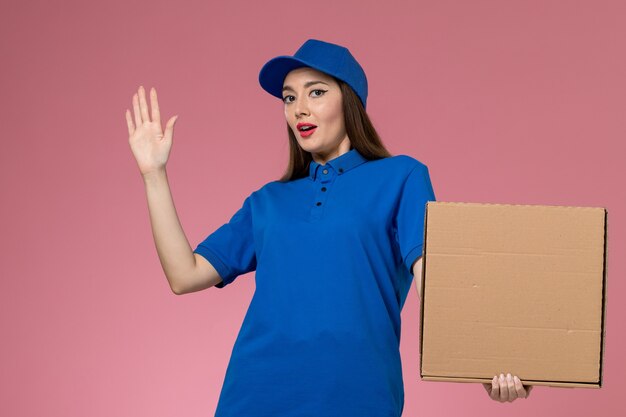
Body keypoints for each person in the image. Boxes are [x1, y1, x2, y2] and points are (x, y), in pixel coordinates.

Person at [125, 39, 533, 416]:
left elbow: (435, 284)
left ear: (349, 100)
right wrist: (153, 174)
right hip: (253, 396)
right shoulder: (268, 201)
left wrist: (487, 365)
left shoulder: (401, 177)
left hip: (358, 398)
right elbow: (185, 274)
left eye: (316, 92)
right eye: (289, 98)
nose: (298, 108)